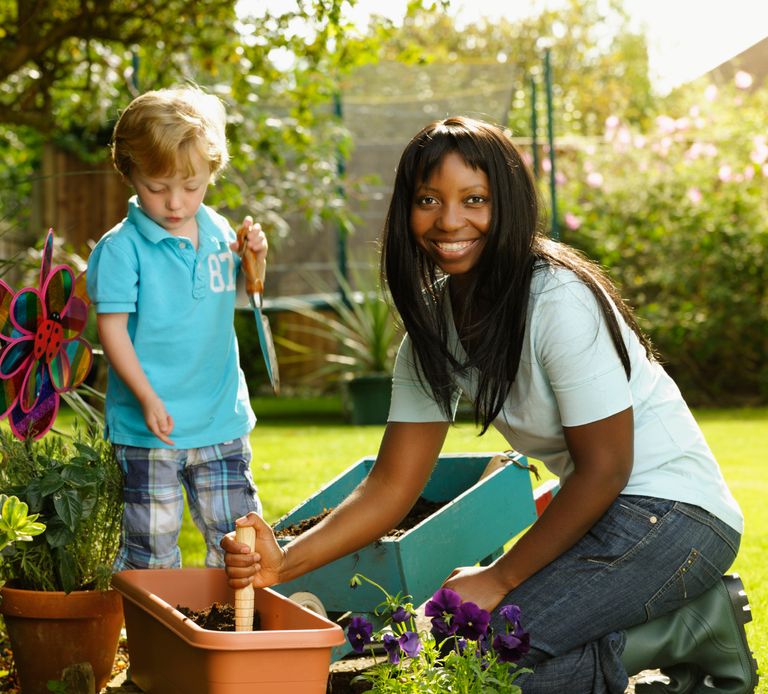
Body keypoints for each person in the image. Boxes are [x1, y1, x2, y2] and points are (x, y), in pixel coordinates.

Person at [221, 117, 759, 693]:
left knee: (487, 664)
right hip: (603, 513)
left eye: (474, 199)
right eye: (429, 200)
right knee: (464, 647)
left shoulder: (557, 299)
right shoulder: (433, 332)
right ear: (407, 209)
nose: (450, 220)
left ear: (508, 206)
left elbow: (607, 469)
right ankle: (663, 643)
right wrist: (285, 562)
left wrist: (501, 577)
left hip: (675, 515)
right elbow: (389, 488)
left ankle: (690, 629)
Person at [87, 87, 266, 570]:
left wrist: (255, 260)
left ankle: (232, 637)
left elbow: (245, 293)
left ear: (212, 171)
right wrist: (147, 397)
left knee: (238, 549)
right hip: (151, 431)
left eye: (191, 186)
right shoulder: (121, 249)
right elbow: (113, 332)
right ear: (130, 173)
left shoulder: (221, 233)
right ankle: (158, 643)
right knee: (152, 550)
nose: (174, 203)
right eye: (157, 187)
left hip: (219, 422)